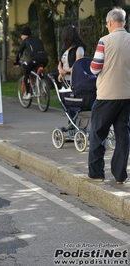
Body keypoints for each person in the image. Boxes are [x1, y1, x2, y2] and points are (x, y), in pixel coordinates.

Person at [85, 7, 130, 184]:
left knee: (97, 133)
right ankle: (120, 176)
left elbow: (95, 68)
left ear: (109, 23)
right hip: (127, 96)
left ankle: (96, 173)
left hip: (106, 95)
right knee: (123, 134)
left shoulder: (104, 41)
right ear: (124, 23)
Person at [57, 25, 86, 123]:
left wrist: (66, 71)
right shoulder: (64, 47)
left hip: (73, 79)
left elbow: (78, 64)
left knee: (72, 102)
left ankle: (73, 123)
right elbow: (60, 62)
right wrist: (60, 70)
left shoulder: (79, 48)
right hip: (64, 79)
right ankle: (73, 122)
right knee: (64, 102)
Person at [13, 27, 48, 100]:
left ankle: (28, 93)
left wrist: (16, 61)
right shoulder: (38, 39)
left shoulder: (26, 41)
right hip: (45, 59)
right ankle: (44, 86)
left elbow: (20, 53)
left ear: (24, 35)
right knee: (37, 70)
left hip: (35, 59)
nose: (21, 37)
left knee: (27, 72)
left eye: (21, 35)